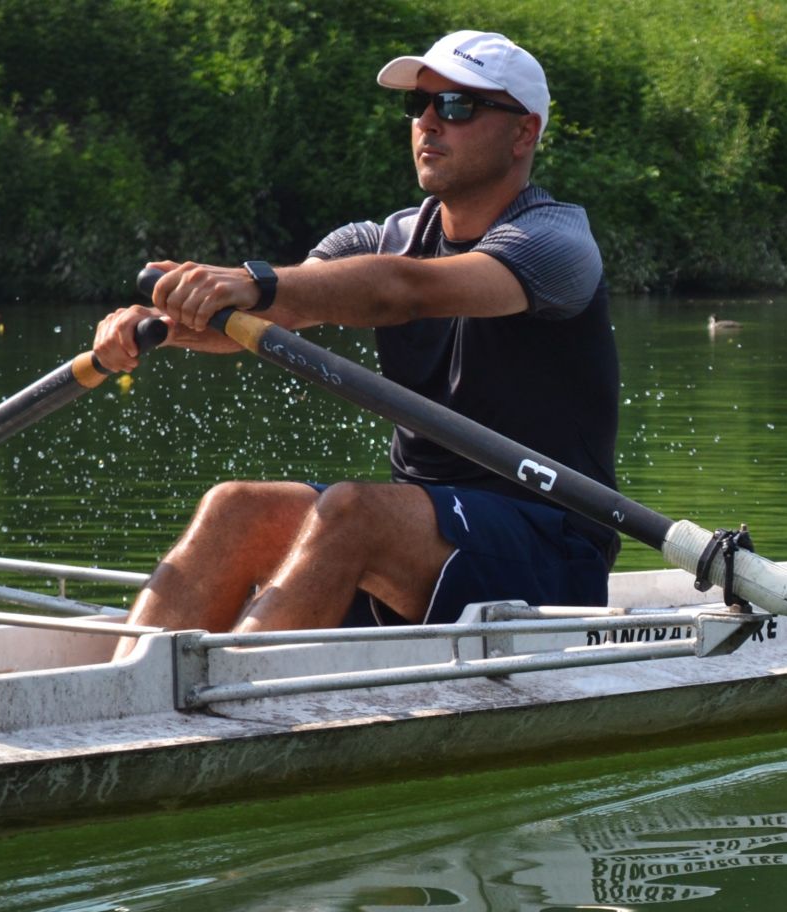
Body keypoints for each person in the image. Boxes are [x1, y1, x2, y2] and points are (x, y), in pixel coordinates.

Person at [94, 30, 619, 646]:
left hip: (551, 548)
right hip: (428, 540)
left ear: (523, 133)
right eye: (417, 106)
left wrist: (253, 282)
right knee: (235, 506)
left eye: (456, 107)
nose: (428, 123)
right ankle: (123, 687)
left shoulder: (557, 243)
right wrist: (161, 324)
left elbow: (402, 291)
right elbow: (271, 316)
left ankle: (232, 693)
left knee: (353, 509)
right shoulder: (380, 239)